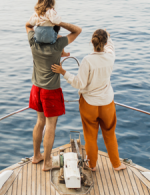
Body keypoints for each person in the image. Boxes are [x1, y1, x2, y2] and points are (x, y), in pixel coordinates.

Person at [51, 29, 127, 171]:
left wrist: (63, 72)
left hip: (89, 105)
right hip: (107, 104)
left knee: (91, 136)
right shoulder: (110, 56)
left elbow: (79, 84)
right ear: (104, 43)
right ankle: (116, 164)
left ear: (91, 42)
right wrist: (108, 36)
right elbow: (110, 47)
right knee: (110, 134)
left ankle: (92, 165)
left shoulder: (88, 61)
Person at [26, 13, 82, 171]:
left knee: (40, 122)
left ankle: (36, 155)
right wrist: (60, 22)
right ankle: (48, 161)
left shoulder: (33, 43)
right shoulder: (57, 45)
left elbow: (28, 26)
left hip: (36, 88)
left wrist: (36, 19)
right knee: (50, 125)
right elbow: (77, 30)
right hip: (50, 91)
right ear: (54, 31)